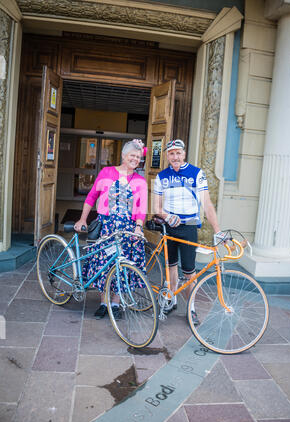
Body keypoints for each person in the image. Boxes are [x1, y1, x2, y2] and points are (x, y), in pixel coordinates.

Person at [74, 139, 147, 320]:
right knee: (104, 265)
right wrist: (83, 218)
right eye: (132, 155)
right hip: (106, 228)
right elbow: (92, 196)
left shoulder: (140, 181)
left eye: (138, 157)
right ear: (124, 155)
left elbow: (141, 208)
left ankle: (115, 303)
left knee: (123, 266)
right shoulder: (106, 172)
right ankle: (103, 303)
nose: (135, 159)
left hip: (128, 231)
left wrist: (138, 227)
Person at [153, 139, 223, 325]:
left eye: (178, 153)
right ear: (167, 156)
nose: (175, 156)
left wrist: (218, 230)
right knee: (171, 267)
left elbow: (207, 204)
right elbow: (156, 207)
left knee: (189, 271)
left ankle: (190, 308)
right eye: (171, 153)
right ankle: (172, 300)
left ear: (184, 154)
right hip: (169, 227)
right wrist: (166, 217)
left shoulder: (196, 173)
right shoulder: (161, 176)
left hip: (189, 226)